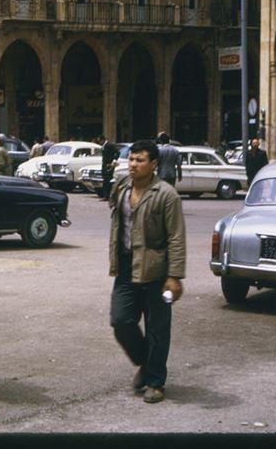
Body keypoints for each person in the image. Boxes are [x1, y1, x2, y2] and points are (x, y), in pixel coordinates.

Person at [107, 139, 186, 404]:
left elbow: (176, 237)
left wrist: (174, 276)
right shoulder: (121, 188)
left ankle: (155, 381)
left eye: (139, 160)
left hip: (157, 272)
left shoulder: (166, 194)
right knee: (121, 320)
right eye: (131, 159)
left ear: (154, 164)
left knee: (157, 329)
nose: (133, 164)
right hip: (126, 268)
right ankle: (145, 361)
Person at [100, 135, 120, 201]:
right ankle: (105, 195)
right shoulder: (103, 146)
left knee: (107, 180)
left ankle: (107, 196)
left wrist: (114, 160)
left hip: (109, 164)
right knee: (105, 180)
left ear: (103, 140)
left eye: (100, 141)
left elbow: (117, 152)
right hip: (104, 164)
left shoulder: (109, 145)